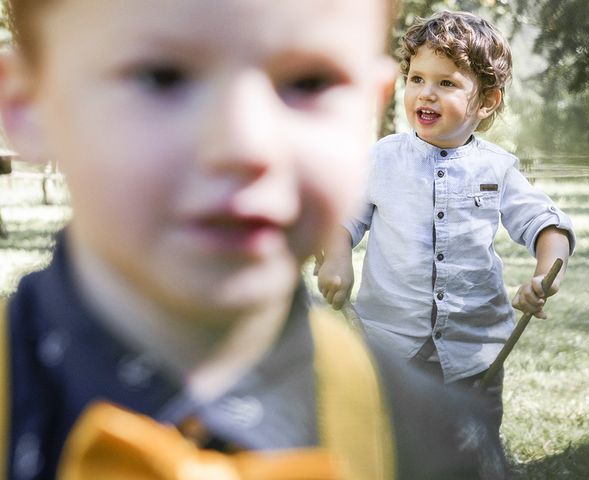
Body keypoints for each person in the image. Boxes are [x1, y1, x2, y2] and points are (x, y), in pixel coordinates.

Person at [0, 1, 509, 479]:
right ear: (29, 105)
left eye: (309, 82)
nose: (246, 144)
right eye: (161, 76)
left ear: (365, 115)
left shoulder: (437, 441)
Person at [317, 10, 576, 433]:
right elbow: (342, 219)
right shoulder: (383, 158)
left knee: (471, 450)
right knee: (394, 446)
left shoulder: (497, 168)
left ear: (487, 100)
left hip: (474, 355)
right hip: (389, 347)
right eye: (417, 79)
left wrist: (545, 276)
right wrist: (337, 259)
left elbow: (546, 225)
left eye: (446, 83)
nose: (426, 94)